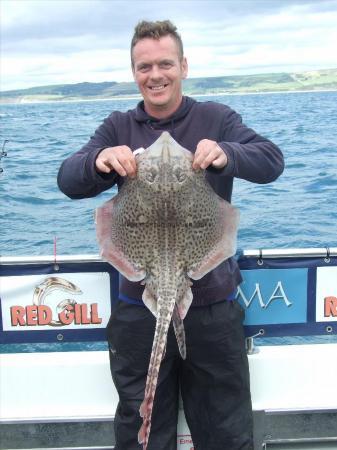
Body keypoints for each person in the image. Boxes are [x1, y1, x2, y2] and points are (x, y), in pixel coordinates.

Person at [58, 20, 284, 450]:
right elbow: (68, 179)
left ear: (183, 65)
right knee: (141, 429)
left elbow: (271, 161)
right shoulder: (118, 125)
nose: (155, 74)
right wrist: (101, 159)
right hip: (139, 308)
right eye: (145, 66)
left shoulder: (216, 118)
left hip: (212, 306)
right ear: (134, 72)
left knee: (225, 431)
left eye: (165, 63)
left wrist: (227, 153)